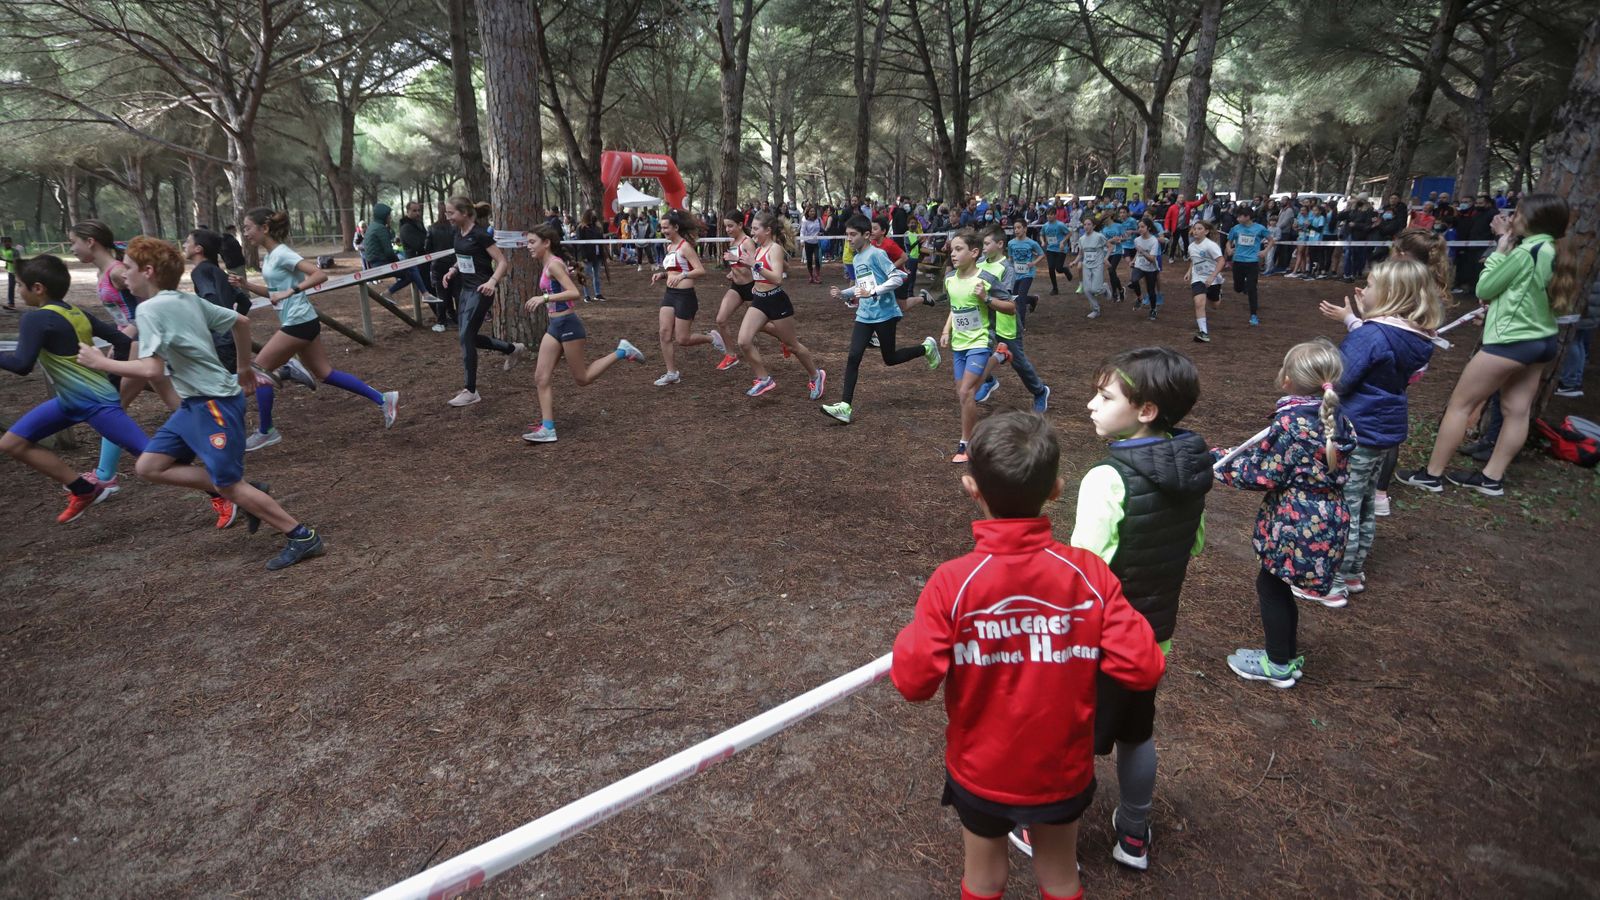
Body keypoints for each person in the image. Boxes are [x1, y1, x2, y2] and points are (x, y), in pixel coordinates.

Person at [890, 411, 1166, 900]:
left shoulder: (952, 584)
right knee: (1060, 878)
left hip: (981, 769)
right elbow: (1143, 665)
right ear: (1057, 488)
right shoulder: (1090, 577)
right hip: (1060, 768)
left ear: (971, 487)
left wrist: (917, 637)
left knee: (983, 879)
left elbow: (912, 682)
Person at [1009, 347, 1208, 871]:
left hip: (1098, 640)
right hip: (1153, 636)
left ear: (1145, 410)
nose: (1091, 405)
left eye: (1105, 396)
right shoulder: (1191, 467)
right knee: (1136, 732)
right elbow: (1195, 545)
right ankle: (1135, 832)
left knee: (1069, 735)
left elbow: (1083, 570)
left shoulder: (1106, 478)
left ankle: (1044, 831)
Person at [75, 237, 326, 570]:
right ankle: (248, 494)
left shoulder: (149, 309)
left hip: (214, 405)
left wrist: (100, 362)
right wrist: (241, 368)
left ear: (148, 272)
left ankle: (302, 536)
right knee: (149, 466)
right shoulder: (184, 300)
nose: (124, 275)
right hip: (195, 405)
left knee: (228, 484)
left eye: (131, 268)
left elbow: (152, 369)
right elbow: (241, 322)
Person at [0, 255, 230, 526]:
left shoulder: (35, 319)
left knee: (154, 461)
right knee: (12, 443)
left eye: (21, 286)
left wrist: (107, 382)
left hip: (95, 403)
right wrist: (111, 378)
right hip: (70, 401)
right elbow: (121, 340)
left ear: (38, 288)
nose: (19, 291)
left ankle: (229, 492)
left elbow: (22, 364)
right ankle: (83, 489)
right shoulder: (75, 312)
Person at [1399, 194, 1582, 497]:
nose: (1512, 218)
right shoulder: (1554, 250)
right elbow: (1522, 294)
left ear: (1532, 220)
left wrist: (1499, 247)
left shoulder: (1526, 252)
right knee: (1517, 411)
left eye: (1518, 214)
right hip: (1543, 341)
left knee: (1460, 405)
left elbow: (1485, 287)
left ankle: (1431, 475)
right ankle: (1491, 478)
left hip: (1511, 342)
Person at [1215, 339, 1355, 687]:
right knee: (1278, 583)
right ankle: (1285, 656)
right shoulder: (1334, 417)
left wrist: (1218, 464)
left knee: (1272, 583)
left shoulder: (1290, 425)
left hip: (1296, 520)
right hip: (1329, 515)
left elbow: (1262, 473)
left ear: (1289, 379)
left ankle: (1277, 665)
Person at [1307, 260, 1441, 599]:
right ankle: (1353, 571)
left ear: (1390, 295)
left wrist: (1317, 382)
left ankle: (1332, 582)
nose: (1361, 291)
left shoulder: (1371, 335)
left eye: (1368, 284)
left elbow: (1341, 379)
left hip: (1356, 430)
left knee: (1343, 506)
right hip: (1382, 429)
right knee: (1363, 501)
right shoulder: (1415, 337)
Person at [231, 206, 398, 445]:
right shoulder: (269, 257)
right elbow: (274, 293)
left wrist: (292, 291)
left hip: (298, 321)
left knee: (259, 371)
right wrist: (245, 285)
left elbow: (319, 275)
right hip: (302, 320)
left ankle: (267, 429)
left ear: (264, 228)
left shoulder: (282, 253)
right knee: (325, 374)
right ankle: (384, 399)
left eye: (247, 228)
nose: (245, 233)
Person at [70, 219, 181, 495]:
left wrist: (124, 339)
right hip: (129, 345)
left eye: (74, 242)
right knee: (175, 398)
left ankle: (106, 476)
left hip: (139, 345)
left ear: (90, 242)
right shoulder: (106, 272)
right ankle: (218, 424)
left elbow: (149, 305)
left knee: (113, 406)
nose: (72, 249)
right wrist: (118, 341)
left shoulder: (119, 272)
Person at [518, 225, 645, 443]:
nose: (528, 247)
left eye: (532, 242)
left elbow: (574, 293)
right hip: (554, 327)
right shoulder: (548, 263)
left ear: (546, 242)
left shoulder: (554, 265)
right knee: (541, 377)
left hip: (568, 325)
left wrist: (544, 298)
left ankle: (622, 351)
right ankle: (548, 428)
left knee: (582, 378)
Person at [821, 215, 940, 424]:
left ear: (866, 235)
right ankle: (845, 407)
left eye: (852, 235)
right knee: (853, 356)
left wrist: (875, 291)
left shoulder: (877, 254)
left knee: (890, 358)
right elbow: (864, 287)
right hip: (864, 315)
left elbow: (898, 277)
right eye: (847, 235)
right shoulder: (857, 258)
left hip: (885, 315)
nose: (848, 239)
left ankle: (926, 348)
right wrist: (844, 293)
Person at [437, 196, 523, 407]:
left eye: (451, 213)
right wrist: (453, 270)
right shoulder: (458, 232)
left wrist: (492, 282)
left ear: (464, 213)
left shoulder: (480, 234)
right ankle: (512, 349)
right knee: (468, 336)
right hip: (465, 290)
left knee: (466, 335)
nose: (447, 217)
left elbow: (502, 262)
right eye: (446, 213)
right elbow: (463, 255)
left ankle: (471, 390)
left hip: (482, 290)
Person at [939, 230, 1013, 463]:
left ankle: (966, 445)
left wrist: (987, 299)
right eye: (952, 249)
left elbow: (1011, 306)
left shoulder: (986, 279)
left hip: (981, 340)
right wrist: (945, 330)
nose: (953, 254)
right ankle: (999, 357)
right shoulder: (949, 278)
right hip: (960, 344)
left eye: (959, 249)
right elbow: (955, 307)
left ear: (974, 252)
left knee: (966, 392)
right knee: (964, 395)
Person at [735, 211, 825, 400]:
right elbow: (780, 268)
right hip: (760, 300)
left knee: (792, 346)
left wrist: (755, 266)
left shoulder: (774, 248)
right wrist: (755, 280)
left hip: (776, 300)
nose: (752, 232)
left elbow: (777, 279)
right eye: (751, 228)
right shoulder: (759, 249)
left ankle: (816, 375)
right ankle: (764, 378)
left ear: (767, 231)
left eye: (755, 228)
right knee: (743, 341)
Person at [972, 226, 1050, 413]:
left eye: (987, 243)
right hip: (984, 322)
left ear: (1000, 244)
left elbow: (1005, 299)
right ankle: (989, 380)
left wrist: (986, 297)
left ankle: (1040, 391)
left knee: (1019, 362)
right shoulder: (980, 262)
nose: (983, 247)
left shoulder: (1007, 269)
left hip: (1006, 323)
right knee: (979, 353)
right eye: (982, 244)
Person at [650, 209, 727, 386]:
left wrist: (683, 276)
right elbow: (674, 270)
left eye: (666, 228)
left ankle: (711, 338)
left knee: (682, 339)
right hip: (670, 295)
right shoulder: (669, 247)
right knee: (664, 332)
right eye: (661, 228)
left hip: (685, 296)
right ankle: (672, 373)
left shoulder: (685, 246)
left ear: (676, 227)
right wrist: (663, 275)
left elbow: (700, 270)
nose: (664, 231)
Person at [710, 213, 780, 372]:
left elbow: (757, 266)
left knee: (762, 325)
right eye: (726, 226)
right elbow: (738, 266)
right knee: (721, 319)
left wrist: (737, 258)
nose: (727, 229)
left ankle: (785, 338)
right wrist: (732, 272)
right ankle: (730, 355)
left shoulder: (747, 242)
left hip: (751, 288)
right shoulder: (733, 242)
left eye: (730, 226)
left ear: (740, 225)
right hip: (736, 287)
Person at [1554, 276, 1600, 399]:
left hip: (1585, 309)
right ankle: (1575, 381)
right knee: (1578, 342)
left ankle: (1569, 382)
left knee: (1573, 343)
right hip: (1591, 311)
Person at [1225, 207, 1271, 326]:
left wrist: (1265, 251)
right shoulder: (1235, 229)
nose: (1237, 218)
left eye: (1240, 216)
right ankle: (1244, 287)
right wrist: (1229, 249)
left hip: (1252, 262)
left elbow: (1271, 240)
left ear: (1248, 217)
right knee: (1238, 288)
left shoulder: (1260, 228)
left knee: (1252, 289)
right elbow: (1228, 242)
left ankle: (1254, 315)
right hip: (1238, 262)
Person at [389, 200, 437, 305]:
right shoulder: (406, 227)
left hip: (425, 261)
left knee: (432, 289)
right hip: (416, 263)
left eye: (419, 210)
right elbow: (418, 245)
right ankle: (441, 317)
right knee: (429, 289)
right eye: (414, 210)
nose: (417, 213)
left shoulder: (418, 224)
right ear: (408, 211)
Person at [425, 201, 460, 331]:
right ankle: (461, 319)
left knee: (441, 295)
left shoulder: (432, 228)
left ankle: (441, 322)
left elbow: (427, 248)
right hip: (455, 264)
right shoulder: (456, 228)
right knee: (457, 293)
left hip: (438, 265)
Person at [1187, 220, 1224, 343]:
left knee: (1215, 305)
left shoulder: (1210, 245)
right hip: (1198, 278)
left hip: (1213, 279)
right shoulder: (1191, 246)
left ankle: (1218, 295)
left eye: (1199, 229)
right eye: (1194, 228)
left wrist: (1213, 276)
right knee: (1198, 303)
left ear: (1206, 231)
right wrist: (1189, 271)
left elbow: (1221, 261)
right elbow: (1194, 260)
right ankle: (1203, 332)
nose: (1196, 231)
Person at [1073, 215, 1112, 320]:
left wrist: (1106, 258)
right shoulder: (1081, 239)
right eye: (1084, 224)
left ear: (1094, 226)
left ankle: (1104, 288)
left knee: (1095, 289)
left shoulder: (1099, 236)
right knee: (1086, 290)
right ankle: (1096, 310)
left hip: (1098, 265)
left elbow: (1110, 247)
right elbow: (1081, 254)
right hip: (1086, 266)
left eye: (1089, 224)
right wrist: (1074, 262)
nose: (1086, 226)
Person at [1005, 219, 1044, 315]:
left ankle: (1021, 325)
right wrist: (1008, 267)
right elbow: (1010, 258)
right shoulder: (1010, 243)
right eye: (1015, 228)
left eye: (1019, 228)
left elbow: (1041, 254)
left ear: (1025, 229)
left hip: (1028, 274)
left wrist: (1033, 263)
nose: (1016, 230)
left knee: (1021, 298)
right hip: (1015, 274)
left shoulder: (1032, 243)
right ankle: (1032, 299)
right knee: (1015, 298)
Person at [1128, 217, 1163, 321]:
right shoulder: (1137, 240)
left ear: (1148, 228)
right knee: (1133, 281)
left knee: (1151, 291)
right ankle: (1139, 298)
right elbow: (1138, 252)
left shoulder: (1154, 241)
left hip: (1151, 268)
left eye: (1142, 227)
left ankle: (1153, 309)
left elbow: (1152, 259)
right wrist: (1133, 260)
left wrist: (1142, 251)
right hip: (1139, 265)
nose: (1140, 229)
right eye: (1139, 227)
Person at [575, 210, 608, 302]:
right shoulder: (581, 228)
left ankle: (597, 293)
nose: (595, 216)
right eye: (593, 214)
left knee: (597, 275)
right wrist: (583, 256)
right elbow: (580, 244)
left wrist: (603, 254)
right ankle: (587, 295)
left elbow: (601, 241)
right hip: (587, 256)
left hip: (597, 255)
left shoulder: (597, 227)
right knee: (586, 275)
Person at [1042, 211, 1072, 295]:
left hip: (1060, 250)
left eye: (1051, 214)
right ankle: (1055, 288)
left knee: (1058, 269)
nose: (1049, 216)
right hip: (1050, 249)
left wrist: (1063, 241)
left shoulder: (1060, 225)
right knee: (1051, 268)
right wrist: (1043, 241)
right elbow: (1041, 234)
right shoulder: (1045, 225)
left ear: (1055, 215)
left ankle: (1065, 270)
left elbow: (1069, 233)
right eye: (1048, 214)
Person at [800, 205, 823, 283]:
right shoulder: (805, 221)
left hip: (817, 243)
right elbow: (802, 232)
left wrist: (821, 233)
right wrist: (802, 241)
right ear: (808, 212)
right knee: (809, 260)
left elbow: (823, 229)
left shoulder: (818, 220)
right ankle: (811, 275)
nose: (812, 213)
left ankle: (817, 275)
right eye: (810, 211)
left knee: (817, 259)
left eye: (813, 211)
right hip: (808, 243)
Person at [2, 236, 18, 310]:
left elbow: (16, 262)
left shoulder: (14, 251)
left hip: (18, 271)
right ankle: (11, 303)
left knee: (26, 285)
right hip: (10, 272)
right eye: (5, 242)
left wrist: (4, 260)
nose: (6, 243)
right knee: (11, 287)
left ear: (11, 243)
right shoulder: (3, 250)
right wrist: (6, 265)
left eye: (8, 242)